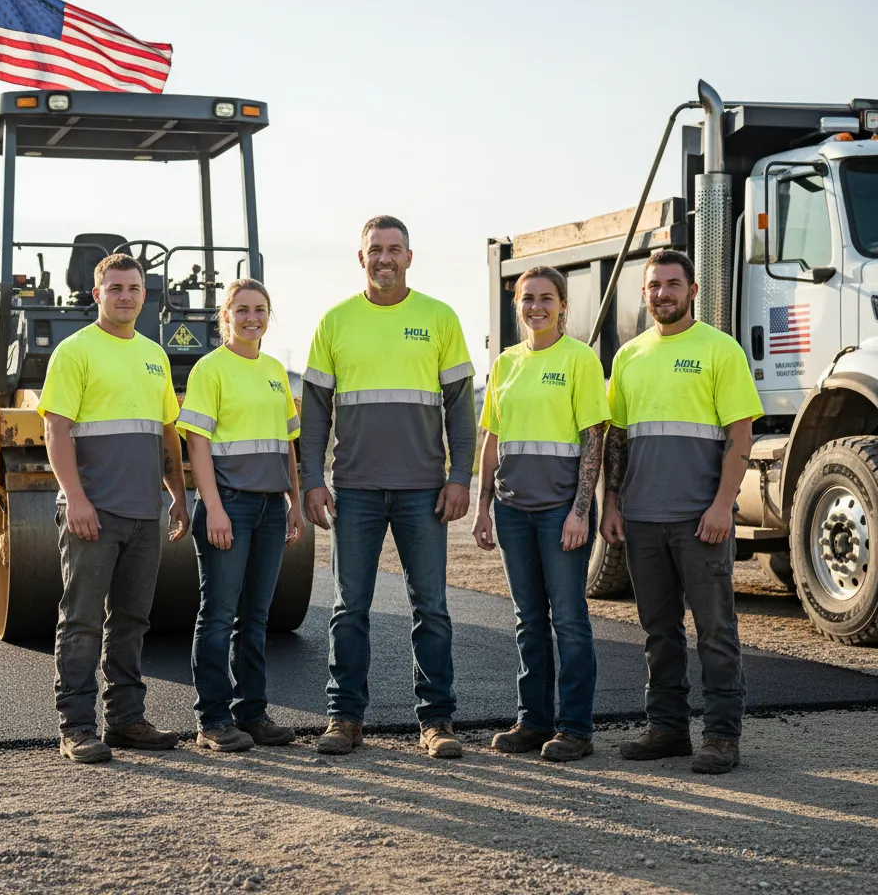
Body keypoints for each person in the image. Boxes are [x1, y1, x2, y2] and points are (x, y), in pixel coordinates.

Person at [301, 215, 477, 759]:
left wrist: (459, 476)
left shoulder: (439, 317)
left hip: (424, 492)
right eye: (375, 249)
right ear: (361, 258)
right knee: (349, 608)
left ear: (409, 256)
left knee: (432, 608)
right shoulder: (335, 321)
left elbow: (461, 411)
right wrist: (312, 480)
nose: (384, 258)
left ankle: (436, 721)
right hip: (354, 491)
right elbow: (313, 414)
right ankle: (344, 718)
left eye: (394, 249)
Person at [600, 249, 763, 775]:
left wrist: (721, 506)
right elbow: (617, 440)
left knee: (715, 630)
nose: (663, 293)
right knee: (658, 630)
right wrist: (613, 505)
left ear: (693, 291)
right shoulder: (628, 357)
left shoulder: (721, 350)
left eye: (673, 284)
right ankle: (667, 729)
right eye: (654, 286)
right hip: (643, 519)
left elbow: (741, 433)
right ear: (643, 294)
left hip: (701, 520)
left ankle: (720, 737)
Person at [39, 252, 190, 764]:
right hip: (94, 513)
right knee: (81, 620)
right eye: (116, 287)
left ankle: (126, 720)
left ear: (145, 295)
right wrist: (76, 498)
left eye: (134, 288)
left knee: (131, 620)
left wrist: (178, 492)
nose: (125, 295)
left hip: (145, 513)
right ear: (97, 293)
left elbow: (166, 430)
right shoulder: (74, 351)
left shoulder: (155, 356)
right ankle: (76, 726)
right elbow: (55, 430)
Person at [472, 267, 608, 761]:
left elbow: (595, 438)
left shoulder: (580, 360)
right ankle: (533, 722)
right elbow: (492, 438)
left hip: (559, 514)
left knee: (569, 620)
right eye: (528, 298)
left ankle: (575, 728)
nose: (536, 307)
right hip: (512, 511)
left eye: (546, 298)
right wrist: (483, 506)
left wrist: (580, 512)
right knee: (528, 620)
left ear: (563, 305)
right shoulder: (505, 364)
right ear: (517, 304)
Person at [176, 279, 305, 752]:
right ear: (225, 316)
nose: (253, 317)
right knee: (218, 615)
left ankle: (252, 713)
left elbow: (287, 444)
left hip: (272, 507)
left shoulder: (275, 371)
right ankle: (212, 720)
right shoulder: (210, 369)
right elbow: (197, 443)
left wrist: (293, 501)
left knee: (255, 618)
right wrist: (213, 508)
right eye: (243, 309)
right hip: (228, 503)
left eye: (261, 309)